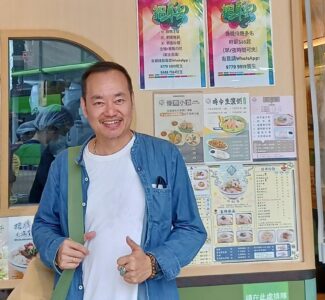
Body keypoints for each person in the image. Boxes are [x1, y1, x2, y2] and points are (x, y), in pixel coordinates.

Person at [32, 61, 206, 299]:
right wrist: (56, 249)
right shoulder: (65, 164)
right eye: (99, 102)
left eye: (119, 100)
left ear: (132, 101)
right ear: (84, 106)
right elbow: (44, 225)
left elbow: (192, 228)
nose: (110, 111)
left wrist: (153, 263)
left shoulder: (164, 156)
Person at [28, 104, 74, 203]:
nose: (64, 139)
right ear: (51, 129)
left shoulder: (48, 153)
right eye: (64, 133)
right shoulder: (45, 155)